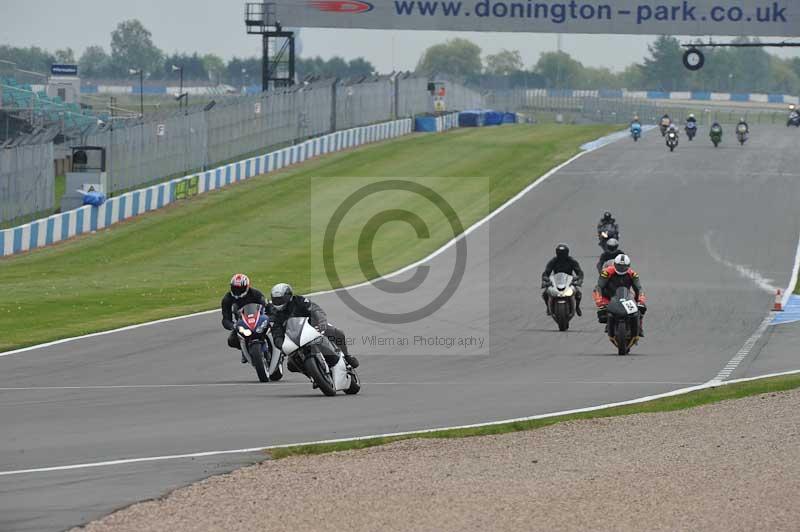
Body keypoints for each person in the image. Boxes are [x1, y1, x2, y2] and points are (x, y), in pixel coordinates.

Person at [267, 283, 359, 369]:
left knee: (338, 333)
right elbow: (276, 331)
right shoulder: (275, 314)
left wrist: (321, 321)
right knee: (291, 365)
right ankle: (313, 375)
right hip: (294, 339)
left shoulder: (299, 300)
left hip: (313, 327)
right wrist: (280, 344)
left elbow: (315, 309)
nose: (278, 302)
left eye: (280, 299)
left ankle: (347, 356)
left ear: (289, 296)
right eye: (275, 300)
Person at [593, 255, 648, 337]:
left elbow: (639, 288)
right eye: (619, 266)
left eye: (624, 267)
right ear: (614, 264)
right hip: (608, 296)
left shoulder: (633, 274)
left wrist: (641, 302)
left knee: (639, 309)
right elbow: (599, 287)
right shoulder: (606, 272)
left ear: (628, 266)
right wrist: (600, 303)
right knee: (602, 313)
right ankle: (609, 323)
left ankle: (639, 327)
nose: (621, 269)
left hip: (625, 295)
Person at [221, 273, 268, 363]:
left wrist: (269, 316)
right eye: (235, 288)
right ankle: (245, 349)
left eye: (240, 289)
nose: (237, 291)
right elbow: (225, 319)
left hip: (259, 319)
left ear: (246, 287)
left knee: (273, 328)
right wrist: (233, 326)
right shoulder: (227, 299)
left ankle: (277, 347)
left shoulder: (255, 293)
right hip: (242, 324)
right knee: (232, 341)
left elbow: (267, 306)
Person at [541, 243, 584, 316]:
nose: (561, 256)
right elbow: (546, 273)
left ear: (567, 253)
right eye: (560, 254)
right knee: (545, 294)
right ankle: (548, 307)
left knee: (578, 294)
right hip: (556, 281)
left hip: (569, 281)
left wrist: (579, 280)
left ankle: (577, 307)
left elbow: (579, 272)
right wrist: (546, 280)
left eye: (563, 254)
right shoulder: (553, 261)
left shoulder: (572, 261)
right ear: (557, 253)